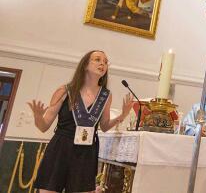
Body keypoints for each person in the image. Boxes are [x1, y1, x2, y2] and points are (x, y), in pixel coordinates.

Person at [29, 50, 133, 193]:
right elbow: (43, 126)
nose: (102, 63)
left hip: (87, 150)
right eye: (97, 59)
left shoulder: (105, 96)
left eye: (105, 61)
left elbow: (104, 126)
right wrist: (38, 116)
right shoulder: (65, 90)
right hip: (61, 146)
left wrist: (122, 115)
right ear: (85, 65)